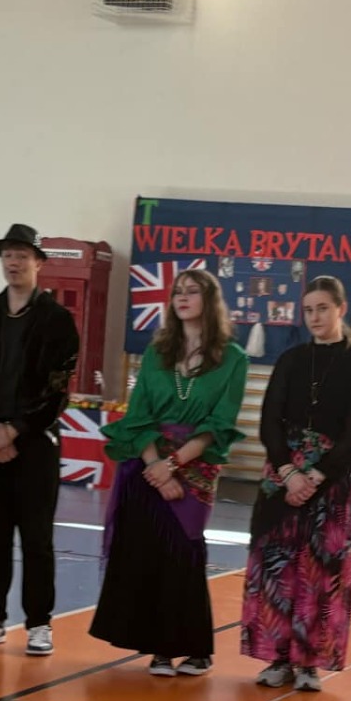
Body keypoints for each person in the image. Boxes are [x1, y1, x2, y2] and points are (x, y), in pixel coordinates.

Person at [92, 269, 249, 675]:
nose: (182, 297)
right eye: (177, 291)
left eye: (192, 291)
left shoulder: (233, 358)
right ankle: (158, 649)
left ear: (209, 301)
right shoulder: (156, 352)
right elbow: (138, 413)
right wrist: (154, 466)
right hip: (146, 463)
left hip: (195, 466)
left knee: (184, 550)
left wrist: (174, 465)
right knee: (148, 552)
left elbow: (219, 423)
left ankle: (196, 649)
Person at [240, 276, 351, 691]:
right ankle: (278, 657)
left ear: (341, 309)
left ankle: (309, 662)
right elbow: (269, 421)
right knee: (277, 565)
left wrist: (316, 476)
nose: (315, 317)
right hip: (283, 477)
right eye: (309, 310)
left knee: (322, 570)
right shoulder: (291, 360)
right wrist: (288, 472)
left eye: (323, 308)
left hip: (331, 480)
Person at [0, 224, 80, 656]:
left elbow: (58, 388)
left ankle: (39, 623)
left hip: (35, 443)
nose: (14, 262)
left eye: (22, 255)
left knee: (36, 538)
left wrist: (16, 430)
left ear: (38, 263)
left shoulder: (58, 321)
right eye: (8, 255)